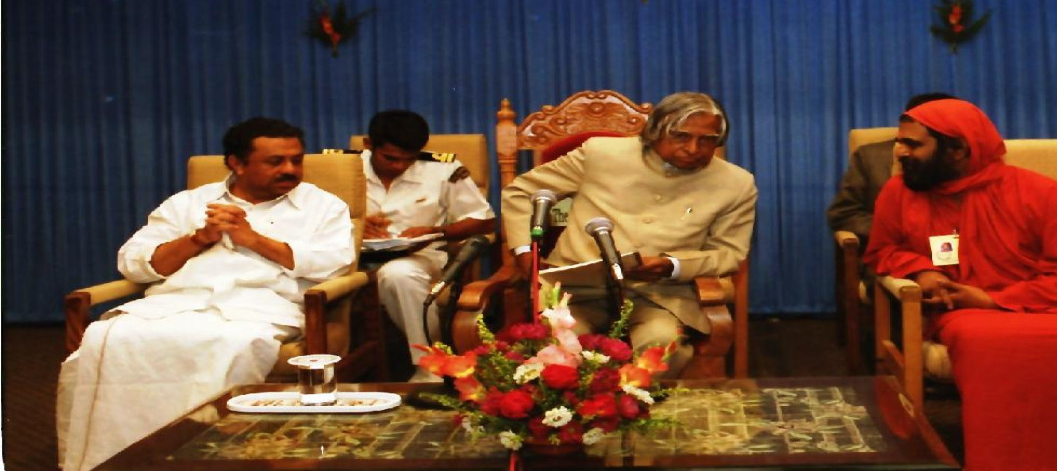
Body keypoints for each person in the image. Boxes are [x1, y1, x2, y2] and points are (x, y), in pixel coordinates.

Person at [864, 99, 1057, 471]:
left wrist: (994, 299)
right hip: (964, 309)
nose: (899, 151)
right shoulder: (898, 193)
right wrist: (923, 271)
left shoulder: (1042, 192)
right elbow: (884, 250)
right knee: (984, 342)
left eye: (912, 144)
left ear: (958, 149)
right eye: (900, 141)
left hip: (1056, 301)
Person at [57, 118, 354, 471]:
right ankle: (119, 459)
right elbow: (134, 263)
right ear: (237, 163)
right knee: (108, 338)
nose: (290, 169)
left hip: (259, 310)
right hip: (174, 304)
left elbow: (334, 264)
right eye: (276, 161)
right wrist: (199, 239)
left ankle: (213, 460)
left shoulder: (324, 207)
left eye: (296, 159)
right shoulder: (186, 204)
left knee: (227, 344)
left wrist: (253, 239)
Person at [501, 91, 757, 376]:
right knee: (559, 346)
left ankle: (635, 403)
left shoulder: (736, 184)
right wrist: (524, 252)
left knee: (661, 347)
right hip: (574, 291)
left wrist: (672, 265)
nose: (693, 148)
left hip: (659, 296)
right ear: (655, 132)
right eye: (681, 136)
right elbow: (521, 193)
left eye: (707, 140)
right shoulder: (601, 154)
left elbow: (729, 254)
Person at [360, 110, 496, 380]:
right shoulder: (343, 168)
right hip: (351, 258)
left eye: (409, 159)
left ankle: (430, 366)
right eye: (390, 158)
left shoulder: (443, 169)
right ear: (368, 145)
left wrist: (437, 230)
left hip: (417, 256)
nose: (399, 166)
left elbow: (484, 220)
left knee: (398, 275)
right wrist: (354, 225)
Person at [827, 92, 956, 248]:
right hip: (891, 250)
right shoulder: (870, 157)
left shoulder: (963, 159)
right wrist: (895, 231)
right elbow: (843, 213)